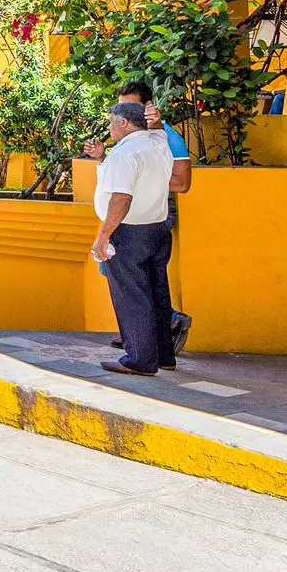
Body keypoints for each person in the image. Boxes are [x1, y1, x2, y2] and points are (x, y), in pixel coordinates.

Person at [93, 81, 195, 355]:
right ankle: (145, 341)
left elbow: (182, 183)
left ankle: (150, 341)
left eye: (132, 106)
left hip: (144, 220)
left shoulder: (165, 137)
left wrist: (141, 182)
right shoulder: (138, 141)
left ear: (148, 108)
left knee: (137, 286)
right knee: (129, 282)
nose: (124, 113)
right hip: (130, 220)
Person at [89, 102, 178, 376]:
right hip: (157, 229)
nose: (110, 127)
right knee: (158, 295)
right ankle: (164, 356)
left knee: (132, 297)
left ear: (124, 123)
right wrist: (155, 120)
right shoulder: (158, 143)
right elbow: (158, 131)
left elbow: (121, 198)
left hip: (129, 232)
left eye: (112, 121)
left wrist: (103, 235)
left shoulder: (125, 153)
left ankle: (140, 359)